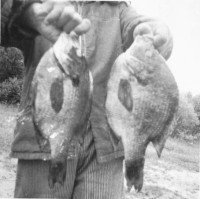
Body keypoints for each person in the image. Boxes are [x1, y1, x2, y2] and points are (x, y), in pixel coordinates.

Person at [2, 0, 173, 198]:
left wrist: (158, 35)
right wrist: (27, 13)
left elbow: (138, 27)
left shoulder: (118, 7)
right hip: (43, 142)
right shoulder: (39, 3)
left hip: (104, 146)